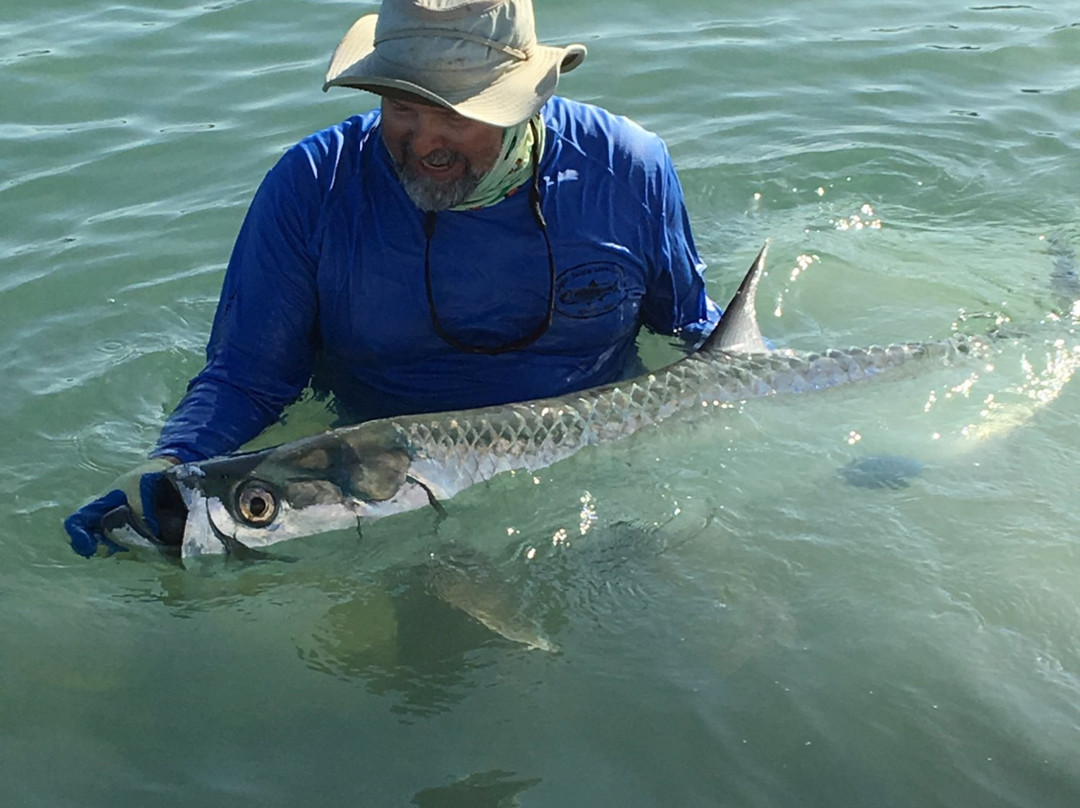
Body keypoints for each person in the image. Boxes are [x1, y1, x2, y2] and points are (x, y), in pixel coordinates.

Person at [64, 0, 721, 556]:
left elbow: (701, 339)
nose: (424, 141)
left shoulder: (628, 169)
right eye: (403, 108)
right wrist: (172, 463)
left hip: (609, 474)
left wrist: (812, 421)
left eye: (458, 112)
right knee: (420, 691)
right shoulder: (311, 187)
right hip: (389, 495)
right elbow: (246, 374)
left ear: (526, 100)